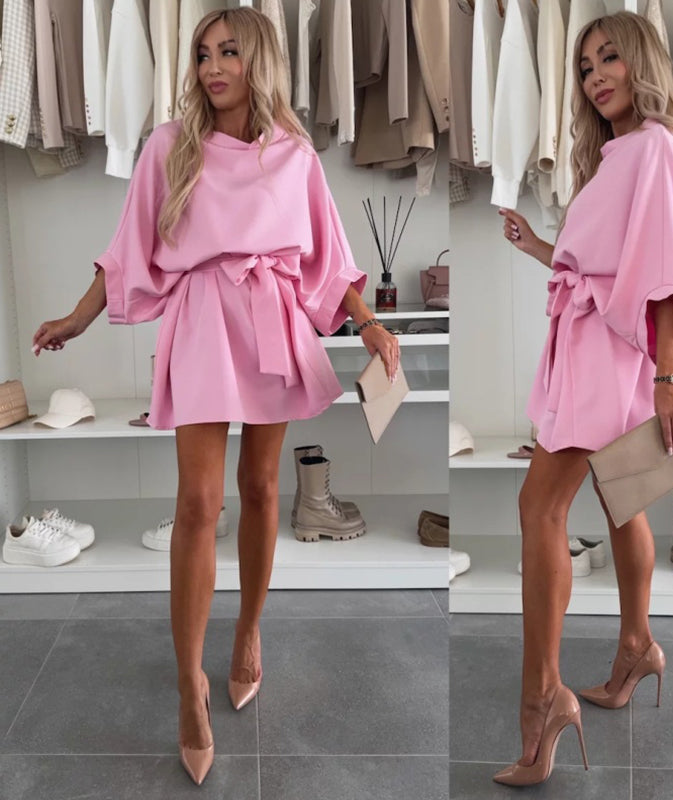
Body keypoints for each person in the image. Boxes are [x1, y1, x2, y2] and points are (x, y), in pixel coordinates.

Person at [32, 8, 398, 787]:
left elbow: (330, 259)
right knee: (198, 503)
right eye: (202, 55)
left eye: (228, 52)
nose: (212, 68)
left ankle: (249, 633)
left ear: (258, 60)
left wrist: (368, 325)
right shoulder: (170, 146)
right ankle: (187, 685)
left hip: (271, 318)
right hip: (201, 319)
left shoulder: (294, 154)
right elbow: (126, 251)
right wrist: (75, 319)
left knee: (261, 488)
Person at [493, 11, 673, 786]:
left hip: (607, 353)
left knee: (539, 507)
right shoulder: (621, 154)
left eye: (609, 58)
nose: (595, 77)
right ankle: (636, 647)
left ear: (642, 62)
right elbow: (603, 266)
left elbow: (663, 269)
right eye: (585, 67)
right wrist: (539, 247)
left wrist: (669, 373)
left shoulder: (653, 146)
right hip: (595, 344)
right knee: (624, 502)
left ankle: (543, 699)